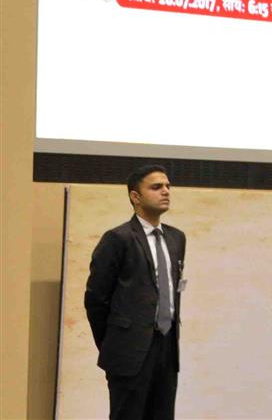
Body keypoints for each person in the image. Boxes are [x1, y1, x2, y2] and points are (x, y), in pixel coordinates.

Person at [84, 164, 187, 420]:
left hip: (166, 347)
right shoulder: (118, 239)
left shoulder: (177, 238)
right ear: (135, 196)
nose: (165, 191)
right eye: (156, 187)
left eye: (167, 186)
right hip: (129, 351)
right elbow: (96, 299)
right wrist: (114, 343)